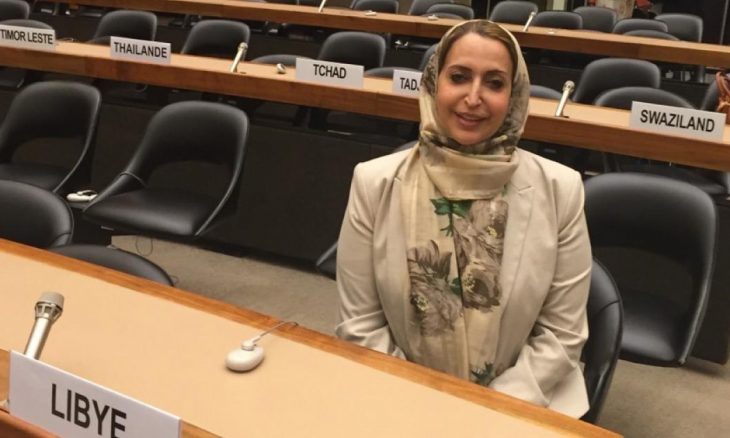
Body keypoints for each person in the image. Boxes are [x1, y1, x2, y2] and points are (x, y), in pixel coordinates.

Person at [334, 19, 592, 418]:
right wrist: (427, 406)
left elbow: (562, 335)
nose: (473, 97)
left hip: (521, 406)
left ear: (514, 94)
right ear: (434, 83)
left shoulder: (562, 189)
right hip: (399, 400)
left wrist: (481, 412)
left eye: (494, 83)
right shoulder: (373, 183)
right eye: (458, 77)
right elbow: (361, 325)